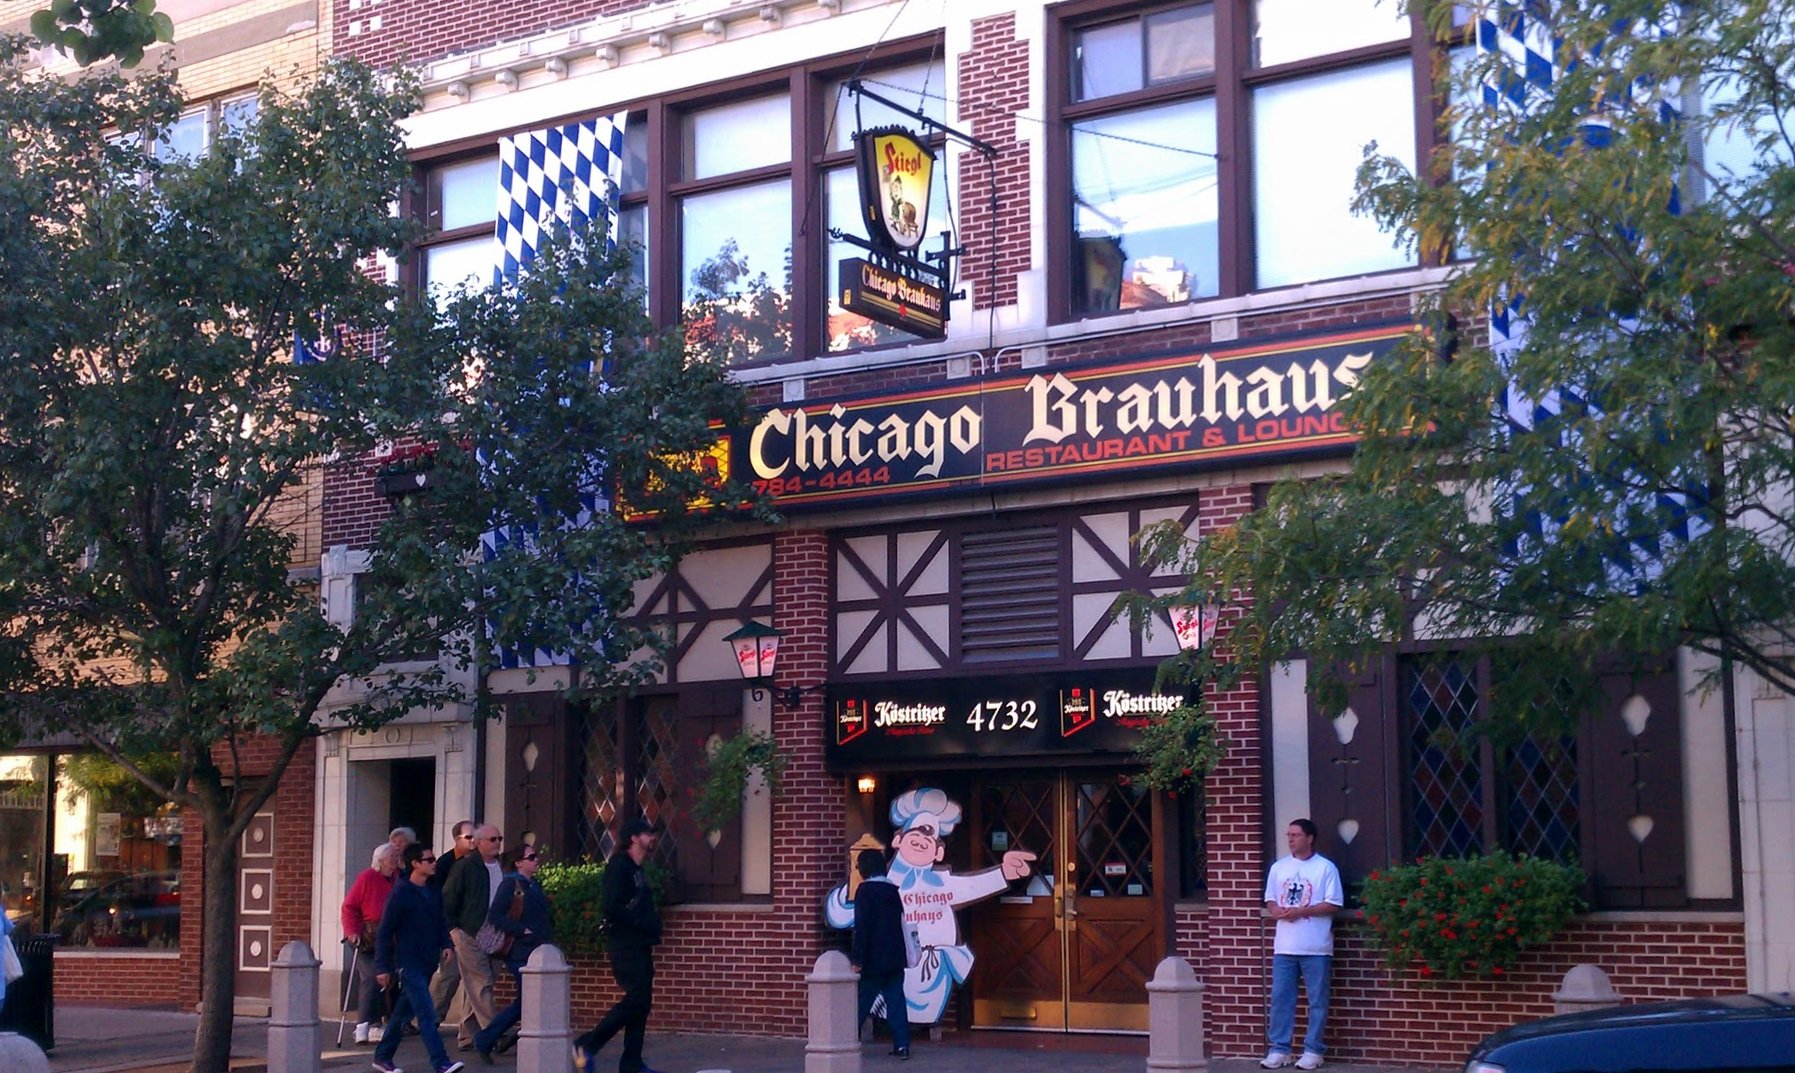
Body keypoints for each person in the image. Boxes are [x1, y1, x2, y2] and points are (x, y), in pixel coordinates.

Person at [572, 818, 663, 1073]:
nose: (652, 838)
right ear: (634, 838)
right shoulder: (619, 866)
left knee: (642, 1003)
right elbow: (611, 906)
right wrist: (637, 921)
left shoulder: (637, 869)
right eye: (647, 834)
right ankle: (586, 1044)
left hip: (640, 943)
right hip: (624, 944)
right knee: (636, 998)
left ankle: (632, 1062)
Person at [1260, 818, 1343, 1072]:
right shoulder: (1279, 867)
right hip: (1284, 946)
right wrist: (1275, 910)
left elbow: (1334, 903)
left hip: (1315, 946)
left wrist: (1303, 911)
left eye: (1296, 835)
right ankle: (1280, 1049)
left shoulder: (1325, 868)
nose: (1290, 839)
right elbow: (1270, 899)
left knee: (1317, 999)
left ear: (1309, 838)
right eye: (1288, 835)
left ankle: (1313, 1050)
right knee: (1281, 999)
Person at [372, 842, 463, 1073]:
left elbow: (440, 920)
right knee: (426, 1013)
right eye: (428, 860)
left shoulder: (433, 890)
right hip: (408, 963)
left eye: (434, 859)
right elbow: (384, 931)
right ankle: (441, 1062)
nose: (434, 864)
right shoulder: (400, 893)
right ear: (414, 864)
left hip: (427, 961)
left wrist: (446, 944)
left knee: (402, 1013)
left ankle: (382, 1056)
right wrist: (382, 966)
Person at [472, 844, 552, 1063]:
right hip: (519, 952)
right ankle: (486, 1039)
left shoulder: (534, 884)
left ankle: (505, 1038)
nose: (536, 860)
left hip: (537, 950)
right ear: (518, 863)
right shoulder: (510, 884)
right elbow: (495, 915)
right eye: (531, 857)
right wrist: (521, 930)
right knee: (526, 1001)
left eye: (535, 856)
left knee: (530, 1001)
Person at [440, 823, 504, 1051]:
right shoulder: (465, 867)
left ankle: (467, 1035)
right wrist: (452, 929)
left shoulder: (502, 866)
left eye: (499, 839)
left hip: (496, 933)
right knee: (481, 983)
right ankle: (494, 1034)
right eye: (492, 839)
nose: (497, 843)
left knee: (479, 985)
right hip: (468, 931)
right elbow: (447, 898)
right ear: (478, 843)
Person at [850, 848, 911, 1061]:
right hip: (895, 956)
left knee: (862, 1001)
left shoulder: (865, 892)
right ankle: (902, 1045)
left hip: (873, 958)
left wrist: (858, 959)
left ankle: (847, 1040)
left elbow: (862, 928)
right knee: (896, 1001)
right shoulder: (892, 890)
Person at [342, 842, 401, 1044]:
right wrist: (351, 931)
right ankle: (362, 1026)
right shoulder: (367, 877)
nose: (396, 859)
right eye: (392, 856)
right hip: (367, 938)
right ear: (380, 860)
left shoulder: (398, 879)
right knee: (371, 979)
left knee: (388, 981)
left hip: (390, 939)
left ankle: (376, 1024)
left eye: (396, 856)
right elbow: (349, 907)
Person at [427, 821, 478, 1036]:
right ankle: (429, 1019)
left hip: (472, 928)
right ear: (457, 839)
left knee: (474, 979)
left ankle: (470, 1029)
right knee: (448, 976)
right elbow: (439, 897)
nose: (473, 841)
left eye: (476, 836)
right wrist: (447, 929)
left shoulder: (478, 862)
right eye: (469, 837)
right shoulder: (446, 863)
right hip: (451, 927)